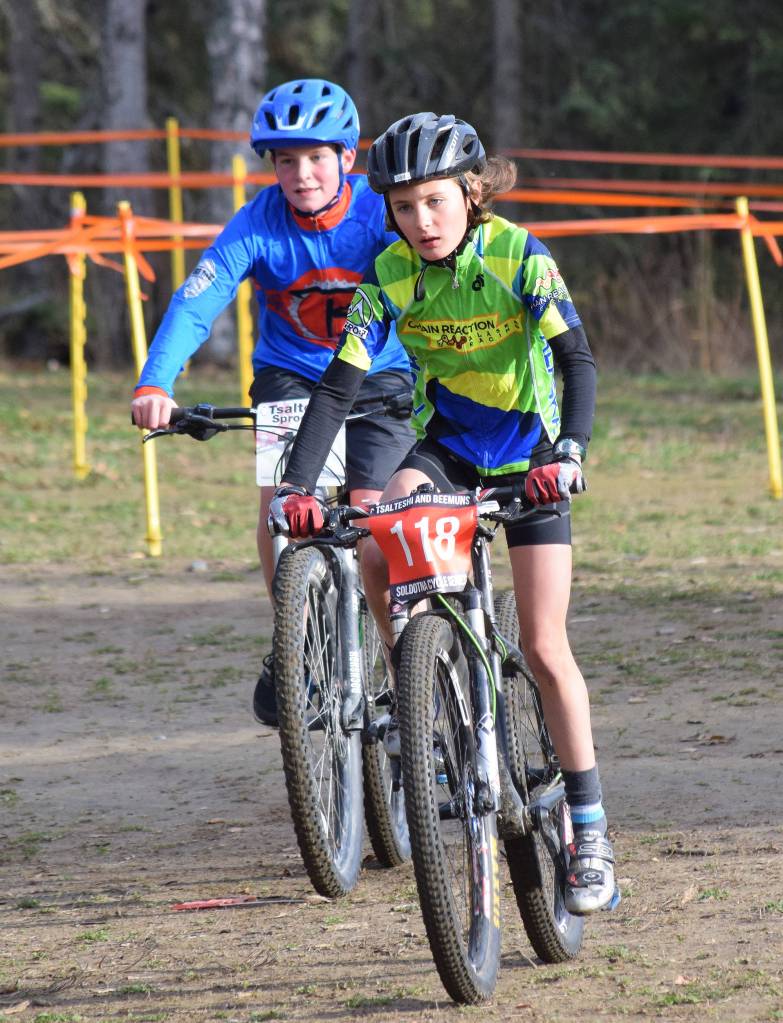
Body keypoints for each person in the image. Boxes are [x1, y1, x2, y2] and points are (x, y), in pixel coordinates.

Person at [267, 111, 616, 915]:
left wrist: (568, 452)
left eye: (433, 201)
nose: (419, 222)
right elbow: (337, 387)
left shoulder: (518, 255)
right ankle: (425, 687)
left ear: (469, 193)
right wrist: (295, 486)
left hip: (530, 457)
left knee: (541, 641)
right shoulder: (386, 274)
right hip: (448, 448)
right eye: (401, 206)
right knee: (380, 534)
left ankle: (589, 824)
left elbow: (576, 357)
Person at [131, 80, 415, 727]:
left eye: (316, 157)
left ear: (348, 158)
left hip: (378, 377)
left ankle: (407, 670)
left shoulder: (378, 213)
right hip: (290, 376)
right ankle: (294, 637)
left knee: (373, 521)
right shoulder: (257, 222)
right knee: (284, 508)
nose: (300, 173)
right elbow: (198, 299)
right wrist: (156, 383)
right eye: (285, 160)